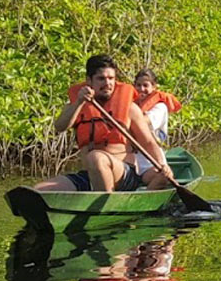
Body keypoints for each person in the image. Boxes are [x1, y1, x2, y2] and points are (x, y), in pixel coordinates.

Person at [35, 54, 178, 192]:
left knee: (96, 157)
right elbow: (60, 127)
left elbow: (148, 142)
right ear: (89, 81)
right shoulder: (78, 104)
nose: (107, 83)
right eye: (101, 79)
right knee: (38, 191)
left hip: (124, 173)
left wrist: (162, 165)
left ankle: (107, 202)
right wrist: (79, 102)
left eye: (111, 78)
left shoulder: (129, 107)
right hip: (90, 175)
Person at [130, 69, 183, 175]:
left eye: (145, 85)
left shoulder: (160, 107)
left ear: (153, 87)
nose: (141, 89)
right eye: (138, 85)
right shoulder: (132, 105)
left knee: (161, 176)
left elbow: (143, 121)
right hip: (133, 159)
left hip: (151, 161)